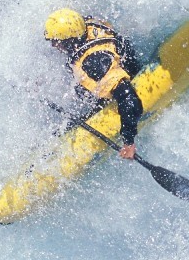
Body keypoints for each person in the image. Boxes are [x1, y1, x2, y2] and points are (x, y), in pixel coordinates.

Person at [44, 8, 143, 159]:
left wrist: (128, 142)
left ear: (69, 41)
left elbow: (129, 99)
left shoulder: (94, 64)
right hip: (116, 62)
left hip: (122, 83)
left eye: (56, 42)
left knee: (70, 123)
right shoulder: (85, 25)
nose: (53, 46)